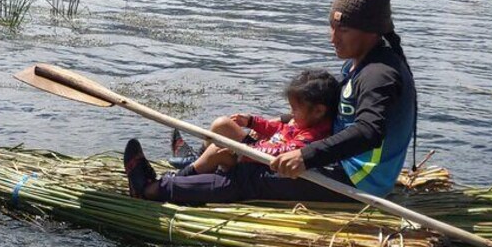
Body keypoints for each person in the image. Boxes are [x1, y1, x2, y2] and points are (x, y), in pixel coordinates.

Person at [123, 0, 416, 204]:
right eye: (331, 27)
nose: (333, 39)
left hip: (356, 179)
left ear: (371, 31)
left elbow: (369, 131)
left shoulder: (380, 74)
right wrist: (278, 122)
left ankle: (153, 189)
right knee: (233, 134)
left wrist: (306, 157)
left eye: (343, 31)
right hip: (337, 159)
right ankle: (193, 171)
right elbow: (332, 110)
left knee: (250, 175)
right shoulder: (360, 62)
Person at [123, 69, 338, 203]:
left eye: (295, 110)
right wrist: (253, 122)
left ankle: (151, 189)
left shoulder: (313, 136)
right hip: (257, 156)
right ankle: (194, 167)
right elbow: (279, 131)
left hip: (264, 165)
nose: (291, 114)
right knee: (221, 132)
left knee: (219, 153)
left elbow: (283, 152)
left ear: (318, 111)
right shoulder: (302, 121)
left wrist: (247, 151)